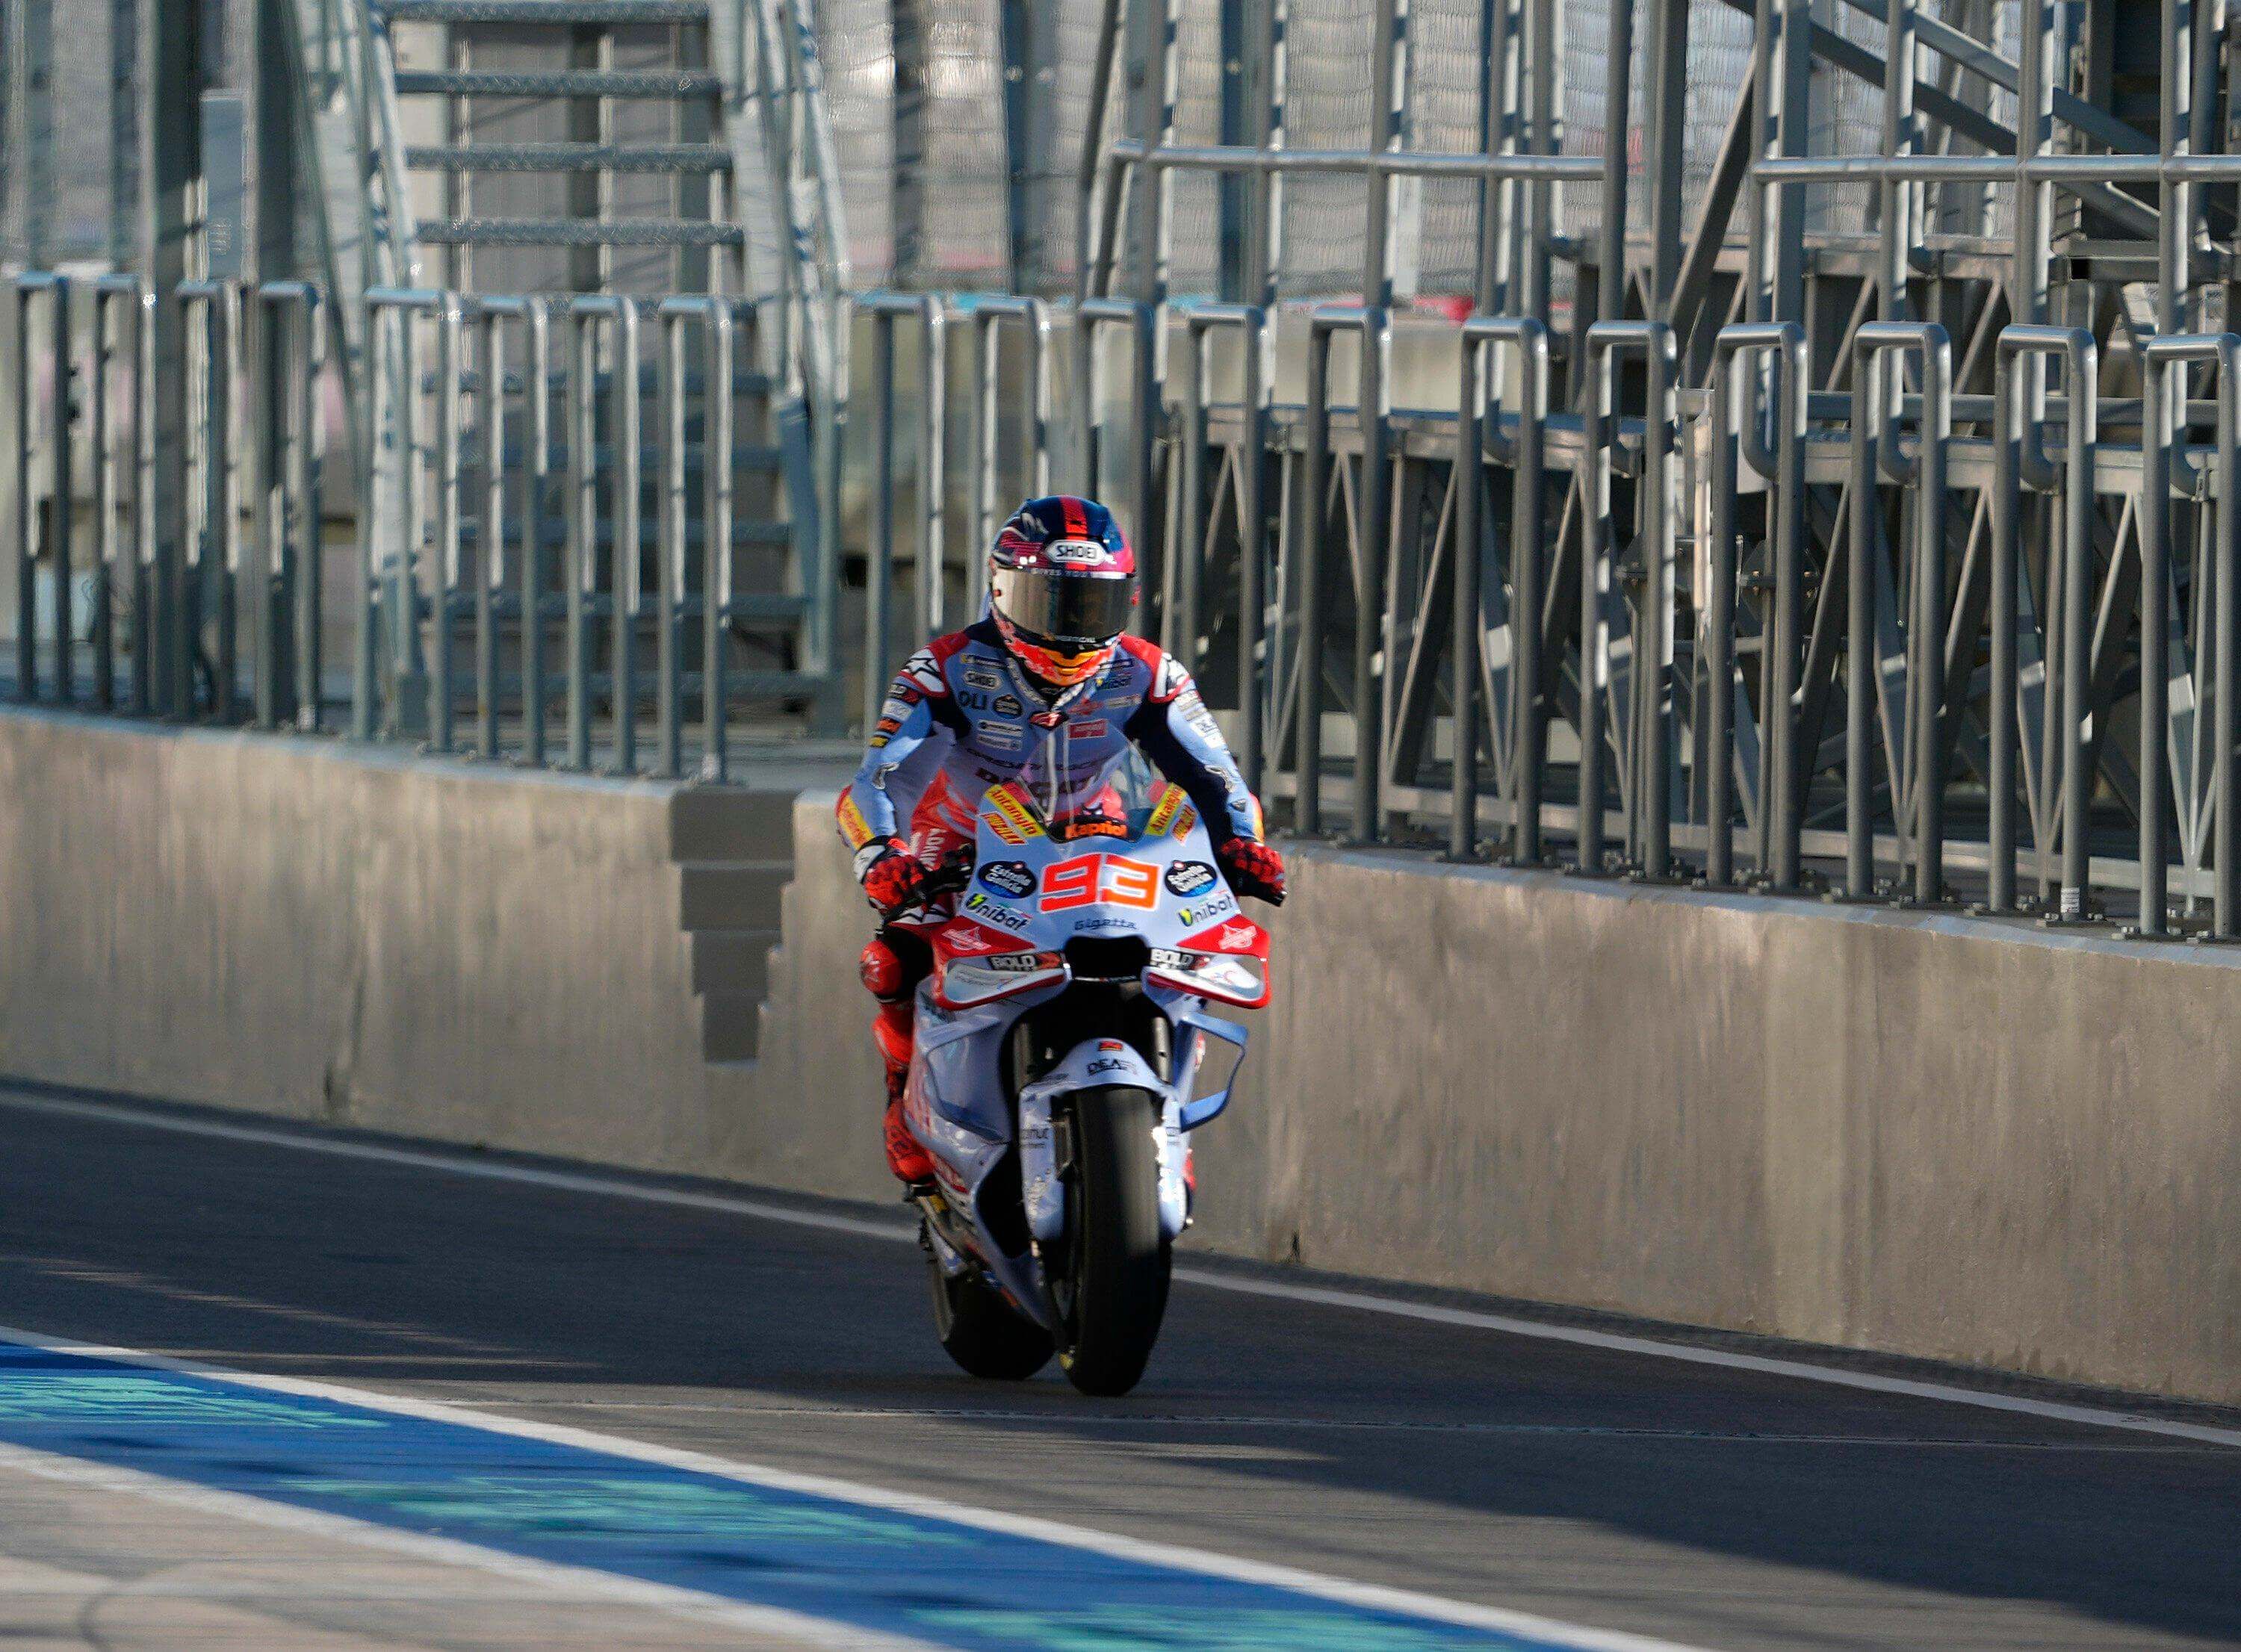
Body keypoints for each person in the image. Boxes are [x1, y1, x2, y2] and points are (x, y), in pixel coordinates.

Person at [836, 495, 1287, 1184]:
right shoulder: (944, 669)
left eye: (1091, 606)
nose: (1070, 629)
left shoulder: (1147, 672)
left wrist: (1241, 843)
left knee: (1173, 954)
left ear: (1125, 603)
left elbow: (1214, 773)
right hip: (960, 841)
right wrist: (883, 856)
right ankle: (904, 1096)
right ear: (999, 591)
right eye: (1048, 602)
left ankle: (1161, 1120)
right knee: (897, 957)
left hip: (1094, 836)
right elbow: (881, 778)